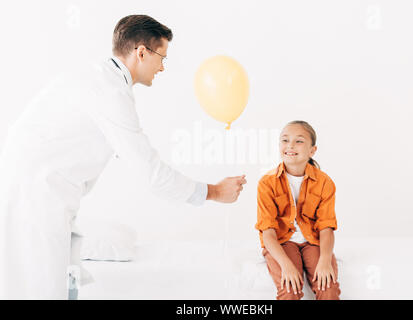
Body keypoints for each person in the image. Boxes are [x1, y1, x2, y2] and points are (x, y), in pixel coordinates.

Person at [0, 14, 246, 299]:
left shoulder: (97, 80)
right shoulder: (109, 93)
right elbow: (151, 173)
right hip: (35, 198)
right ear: (142, 52)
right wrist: (214, 191)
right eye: (162, 57)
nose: (163, 67)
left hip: (38, 193)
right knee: (41, 288)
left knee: (50, 283)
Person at [255, 120, 340, 300]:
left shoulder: (325, 182)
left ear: (312, 151)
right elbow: (268, 233)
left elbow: (326, 227)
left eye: (299, 141)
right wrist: (286, 265)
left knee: (328, 287)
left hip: (313, 242)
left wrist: (325, 260)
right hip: (281, 243)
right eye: (285, 140)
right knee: (290, 289)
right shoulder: (267, 183)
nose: (290, 146)